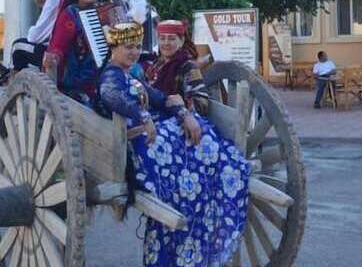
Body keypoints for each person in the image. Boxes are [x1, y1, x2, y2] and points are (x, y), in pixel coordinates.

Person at [97, 20, 250, 267]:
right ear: (114, 48)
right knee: (186, 147)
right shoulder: (111, 74)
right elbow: (113, 97)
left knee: (196, 136)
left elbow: (159, 97)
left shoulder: (133, 75)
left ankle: (210, 177)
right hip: (136, 141)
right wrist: (144, 116)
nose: (134, 52)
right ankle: (204, 179)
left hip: (149, 132)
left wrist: (184, 114)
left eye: (136, 46)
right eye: (128, 47)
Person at [43, 0, 102, 105]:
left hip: (105, 74)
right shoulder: (70, 14)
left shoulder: (107, 9)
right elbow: (58, 46)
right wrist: (54, 58)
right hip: (78, 78)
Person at [142, 19, 209, 116]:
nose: (166, 43)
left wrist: (181, 104)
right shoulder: (155, 65)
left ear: (181, 41)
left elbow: (202, 103)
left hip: (180, 120)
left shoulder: (188, 67)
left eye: (171, 38)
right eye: (162, 38)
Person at [12, 0, 61, 71]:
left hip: (54, 54)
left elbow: (33, 38)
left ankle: (17, 82)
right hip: (60, 51)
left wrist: (32, 29)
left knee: (17, 45)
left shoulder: (52, 2)